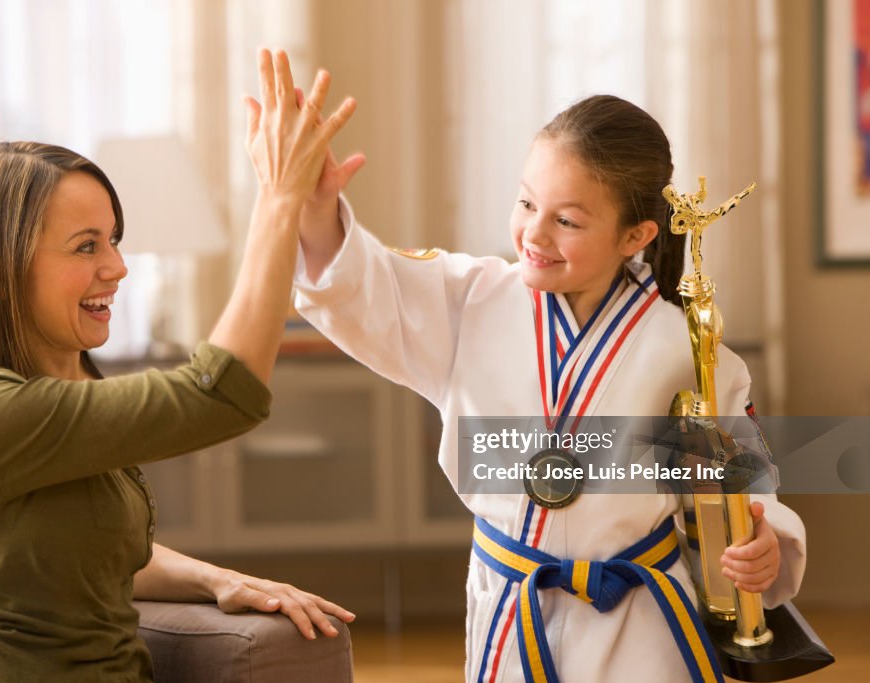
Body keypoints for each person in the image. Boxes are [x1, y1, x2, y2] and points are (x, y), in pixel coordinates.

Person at [289, 94, 806, 682]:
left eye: (566, 220)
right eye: (526, 202)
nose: (533, 232)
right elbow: (366, 288)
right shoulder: (470, 302)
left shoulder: (683, 348)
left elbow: (740, 482)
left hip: (638, 626)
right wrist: (314, 208)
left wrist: (763, 540)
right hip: (512, 605)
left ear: (635, 235)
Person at [0, 50, 357, 681]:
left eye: (114, 240)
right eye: (86, 246)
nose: (117, 267)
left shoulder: (58, 393)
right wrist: (278, 198)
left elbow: (96, 555)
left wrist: (219, 580)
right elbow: (220, 394)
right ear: (0, 267)